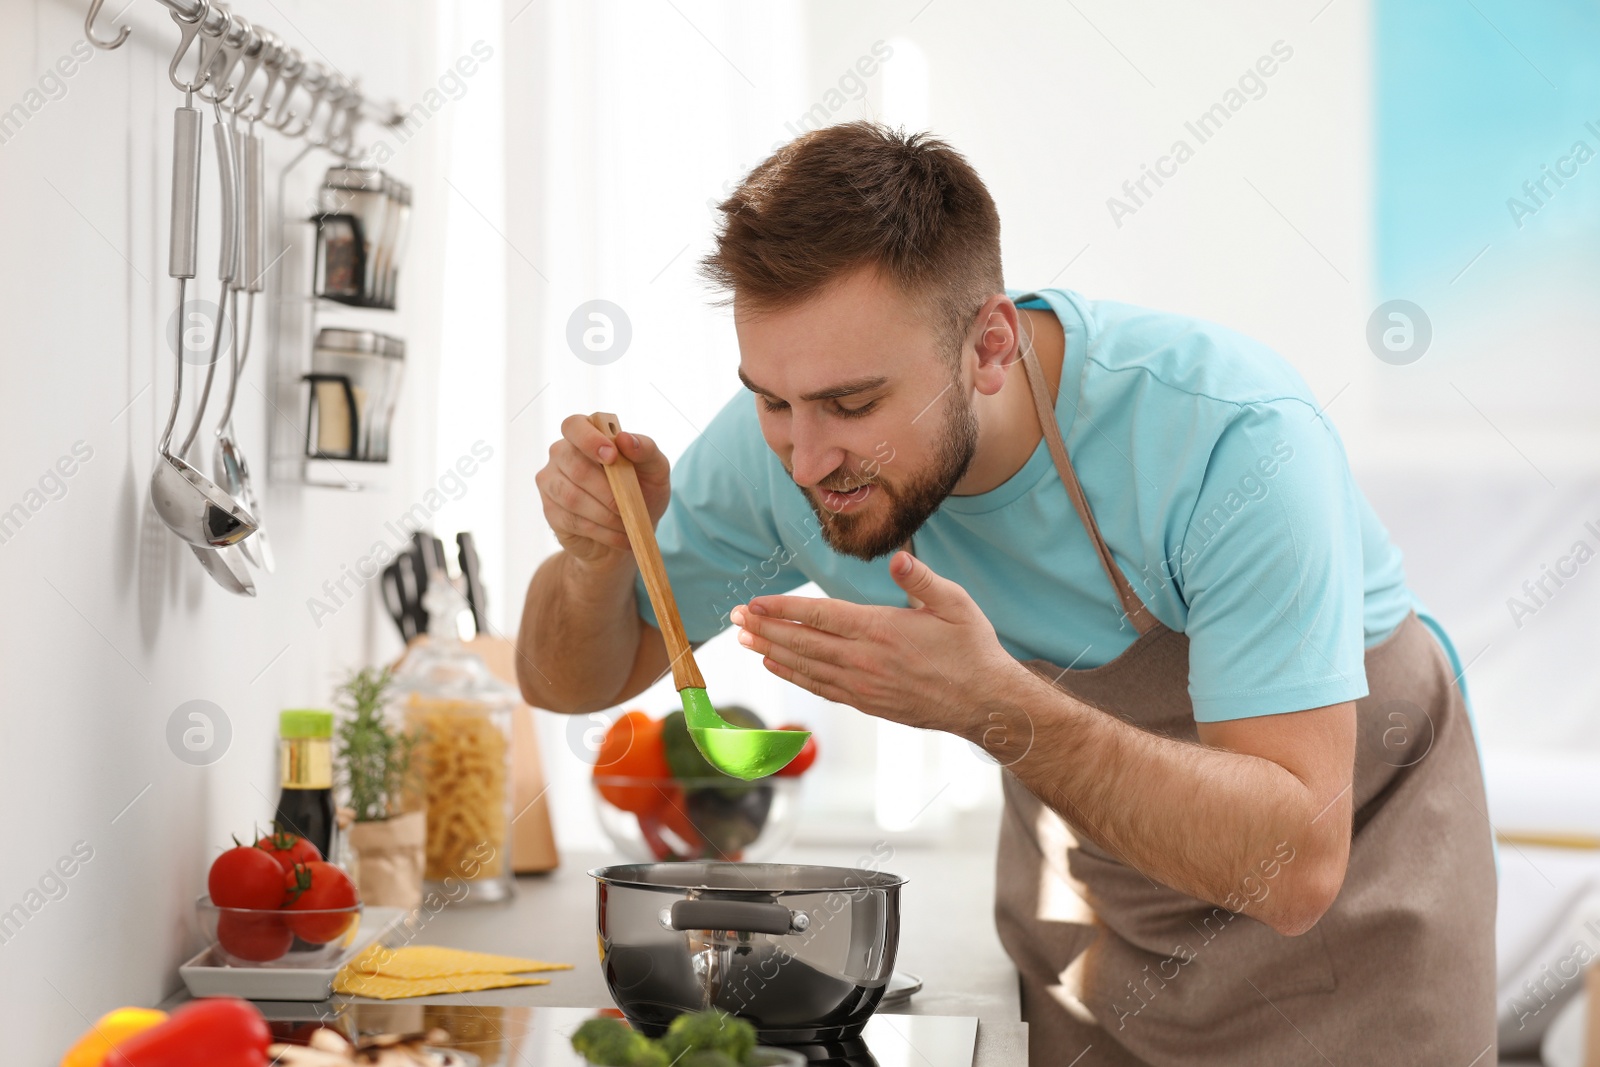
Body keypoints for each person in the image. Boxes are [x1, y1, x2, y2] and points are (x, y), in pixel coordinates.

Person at [516, 122, 1496, 1065]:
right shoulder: (781, 445)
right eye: (772, 399)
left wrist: (993, 704)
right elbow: (565, 680)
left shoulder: (1230, 441)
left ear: (989, 347)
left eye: (853, 404)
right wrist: (598, 555)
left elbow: (1290, 867)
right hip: (1099, 955)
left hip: (1352, 939)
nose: (805, 456)